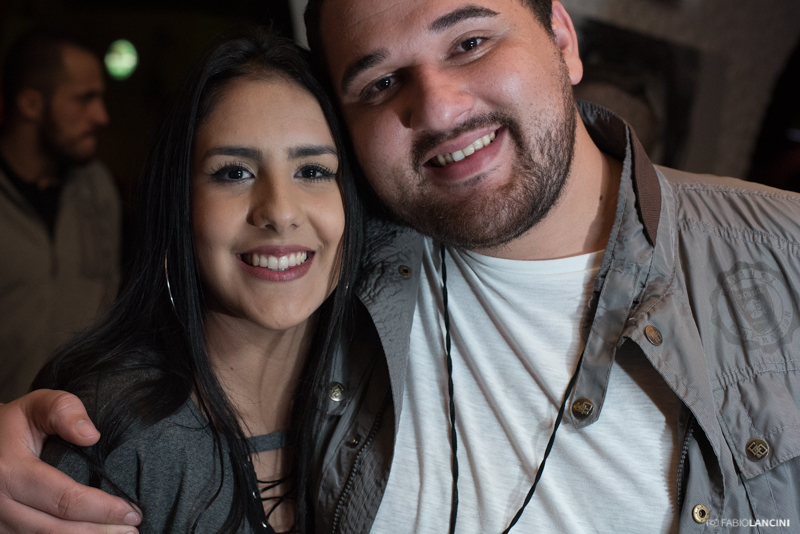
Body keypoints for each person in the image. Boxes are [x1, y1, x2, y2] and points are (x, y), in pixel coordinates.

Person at [1, 0, 800, 533]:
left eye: (470, 41)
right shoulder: (362, 255)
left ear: (562, 37)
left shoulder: (782, 252)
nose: (440, 108)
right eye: (381, 81)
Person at [29, 27, 363, 534]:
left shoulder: (390, 404)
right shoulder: (111, 436)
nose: (279, 212)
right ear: (179, 204)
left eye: (313, 171)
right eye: (234, 172)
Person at [0, 28, 121, 403]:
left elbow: (110, 306)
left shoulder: (97, 188)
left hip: (81, 424)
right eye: (85, 99)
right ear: (31, 104)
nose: (101, 116)